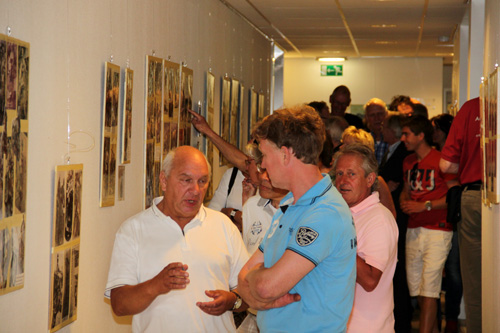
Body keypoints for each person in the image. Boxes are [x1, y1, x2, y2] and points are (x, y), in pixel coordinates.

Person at [105, 146, 250, 332]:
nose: (196, 190)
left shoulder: (223, 226)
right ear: (164, 181)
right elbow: (119, 305)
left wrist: (232, 301)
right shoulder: (133, 230)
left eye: (202, 181)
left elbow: (249, 293)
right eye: (186, 180)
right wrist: (156, 285)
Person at [238, 105, 357, 332]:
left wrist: (255, 284)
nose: (262, 165)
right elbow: (243, 276)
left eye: (264, 155)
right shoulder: (290, 202)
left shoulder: (326, 212)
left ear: (285, 154)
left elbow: (264, 288)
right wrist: (254, 286)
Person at [332, 143, 398, 333]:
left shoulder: (379, 219)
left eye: (351, 174)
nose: (342, 181)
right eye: (339, 174)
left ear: (370, 179)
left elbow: (370, 280)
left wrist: (336, 241)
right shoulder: (343, 214)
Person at [400, 116, 456, 333]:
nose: (403, 138)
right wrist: (404, 201)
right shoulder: (408, 162)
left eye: (407, 134)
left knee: (429, 290)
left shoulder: (441, 160)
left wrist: (426, 206)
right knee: (419, 291)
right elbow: (406, 189)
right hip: (414, 228)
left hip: (437, 228)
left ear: (420, 136)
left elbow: (454, 193)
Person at [440, 97, 482, 333]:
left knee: (475, 281)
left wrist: (469, 163)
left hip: (475, 196)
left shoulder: (472, 108)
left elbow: (446, 165)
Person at [238, 142, 289, 333]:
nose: (263, 178)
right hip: (254, 311)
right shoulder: (252, 205)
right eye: (261, 170)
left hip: (287, 314)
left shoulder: (301, 212)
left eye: (270, 172)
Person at [379, 112, 413, 332]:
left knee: (399, 273)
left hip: (399, 217)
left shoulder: (401, 152)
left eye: (384, 126)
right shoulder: (393, 150)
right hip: (396, 214)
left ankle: (402, 322)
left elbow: (397, 181)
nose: (381, 129)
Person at [341, 126, 397, 218]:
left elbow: (390, 216)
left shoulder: (378, 181)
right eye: (342, 143)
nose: (341, 147)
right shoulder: (336, 175)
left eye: (347, 145)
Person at [364, 98, 389, 164]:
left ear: (386, 114)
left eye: (380, 114)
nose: (377, 118)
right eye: (372, 115)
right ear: (366, 118)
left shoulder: (393, 140)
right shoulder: (364, 140)